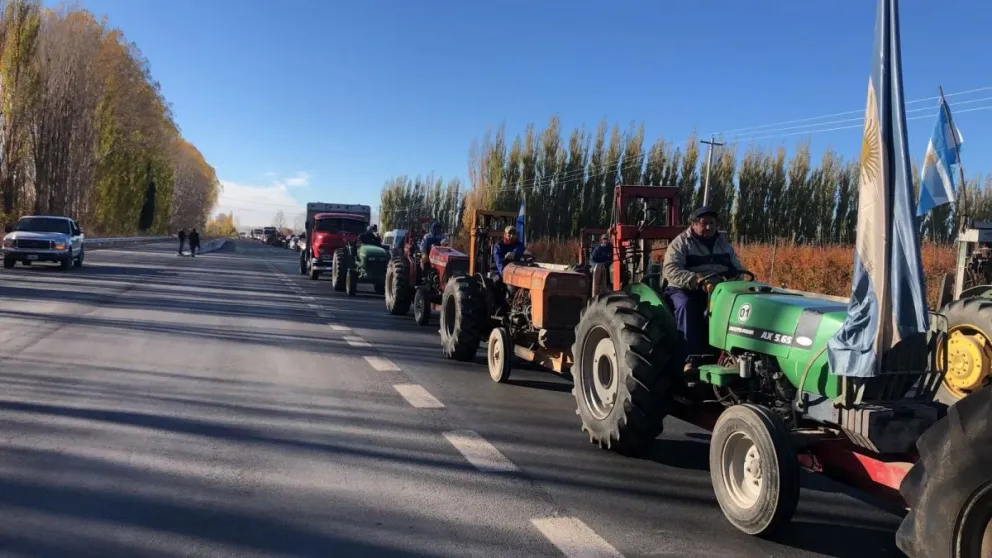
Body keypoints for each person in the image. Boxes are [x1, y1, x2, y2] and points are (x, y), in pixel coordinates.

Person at [662, 206, 744, 369]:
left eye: (712, 223)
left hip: (717, 289)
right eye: (704, 223)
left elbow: (737, 268)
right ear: (693, 224)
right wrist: (696, 280)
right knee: (686, 306)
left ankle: (731, 356)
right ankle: (688, 359)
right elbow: (670, 269)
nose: (709, 227)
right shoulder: (681, 243)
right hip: (684, 288)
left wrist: (736, 277)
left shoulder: (723, 244)